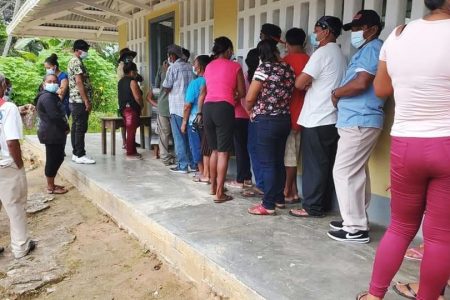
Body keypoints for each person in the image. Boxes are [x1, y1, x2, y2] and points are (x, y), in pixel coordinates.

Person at [357, 1, 450, 299]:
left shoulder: (399, 35)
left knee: (399, 227)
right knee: (440, 237)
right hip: (447, 144)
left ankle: (374, 295)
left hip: (406, 144)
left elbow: (382, 89)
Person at [326, 10, 384, 244]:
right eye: (353, 29)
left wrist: (336, 93)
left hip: (360, 119)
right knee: (357, 172)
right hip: (357, 120)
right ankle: (356, 219)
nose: (354, 33)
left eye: (359, 28)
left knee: (343, 172)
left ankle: (356, 227)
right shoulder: (367, 50)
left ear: (372, 28)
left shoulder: (373, 48)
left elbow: (361, 83)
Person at [290, 16, 346, 218]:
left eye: (317, 30)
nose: (314, 35)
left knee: (314, 165)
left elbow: (299, 83)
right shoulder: (340, 54)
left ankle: (311, 207)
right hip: (332, 118)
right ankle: (322, 204)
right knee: (326, 163)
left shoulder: (322, 53)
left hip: (317, 117)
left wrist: (305, 83)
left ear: (327, 31)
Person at [245, 40, 295, 215]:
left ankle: (268, 204)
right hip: (284, 120)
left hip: (265, 120)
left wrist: (250, 109)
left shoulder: (263, 69)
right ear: (276, 50)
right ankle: (279, 198)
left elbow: (250, 97)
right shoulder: (288, 69)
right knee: (278, 161)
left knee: (267, 163)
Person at [198, 37, 245, 202]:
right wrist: (235, 96)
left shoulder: (209, 66)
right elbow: (242, 91)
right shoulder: (235, 66)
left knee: (214, 150)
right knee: (224, 152)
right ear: (229, 50)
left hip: (208, 107)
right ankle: (220, 193)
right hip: (224, 108)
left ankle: (212, 187)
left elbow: (206, 89)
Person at [0, 73, 36, 258]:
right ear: (2, 86)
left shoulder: (10, 109)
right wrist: (19, 164)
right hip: (6, 165)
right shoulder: (8, 108)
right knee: (16, 206)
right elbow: (11, 142)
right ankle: (21, 247)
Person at [282, 27, 310, 204]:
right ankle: (294, 191)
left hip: (289, 113)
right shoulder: (310, 60)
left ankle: (287, 190)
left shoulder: (285, 62)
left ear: (287, 43)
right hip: (306, 113)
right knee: (294, 154)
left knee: (289, 156)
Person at [162, 44, 195, 173]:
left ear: (172, 56)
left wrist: (165, 73)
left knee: (179, 138)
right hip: (189, 107)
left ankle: (182, 165)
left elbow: (167, 87)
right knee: (189, 137)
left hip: (176, 107)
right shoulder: (189, 66)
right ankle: (193, 164)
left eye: (169, 56)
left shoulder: (172, 68)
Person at [35, 74, 70, 194]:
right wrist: (65, 127)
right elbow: (54, 115)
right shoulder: (47, 98)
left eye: (55, 81)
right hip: (51, 133)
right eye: (49, 81)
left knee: (58, 157)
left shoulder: (51, 96)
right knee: (53, 158)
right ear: (44, 83)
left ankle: (52, 183)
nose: (53, 83)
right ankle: (50, 187)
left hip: (54, 132)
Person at [181, 55, 212, 183]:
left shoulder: (196, 83)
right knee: (209, 147)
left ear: (200, 67)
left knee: (196, 147)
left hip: (195, 120)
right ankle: (209, 173)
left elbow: (188, 105)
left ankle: (202, 172)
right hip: (210, 118)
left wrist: (183, 122)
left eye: (195, 64)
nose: (193, 66)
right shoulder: (212, 81)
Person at [68, 39, 95, 164]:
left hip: (74, 99)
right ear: (78, 51)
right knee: (80, 127)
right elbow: (79, 82)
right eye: (85, 50)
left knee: (75, 126)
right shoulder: (76, 62)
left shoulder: (73, 61)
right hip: (79, 100)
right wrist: (86, 101)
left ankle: (75, 153)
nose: (86, 52)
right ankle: (80, 154)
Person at [242, 49, 264, 198]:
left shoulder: (250, 76)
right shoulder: (272, 73)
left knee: (254, 151)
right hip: (268, 117)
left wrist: (250, 112)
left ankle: (261, 185)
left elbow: (245, 98)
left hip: (252, 117)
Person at [118, 62, 144, 160]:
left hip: (124, 109)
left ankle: (133, 150)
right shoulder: (132, 82)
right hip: (131, 109)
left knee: (130, 130)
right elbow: (137, 97)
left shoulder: (120, 81)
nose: (136, 73)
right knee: (131, 131)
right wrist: (142, 105)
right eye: (136, 71)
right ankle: (130, 152)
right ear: (132, 71)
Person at [155, 60, 175, 166]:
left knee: (165, 134)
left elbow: (157, 84)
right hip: (166, 106)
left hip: (169, 106)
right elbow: (158, 85)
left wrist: (165, 71)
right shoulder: (162, 69)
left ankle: (167, 157)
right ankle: (165, 157)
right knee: (165, 133)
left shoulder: (176, 69)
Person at [44, 53, 70, 118]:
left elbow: (61, 95)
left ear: (55, 67)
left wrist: (51, 105)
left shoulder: (63, 77)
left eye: (48, 68)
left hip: (61, 106)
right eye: (46, 68)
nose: (47, 70)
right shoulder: (49, 77)